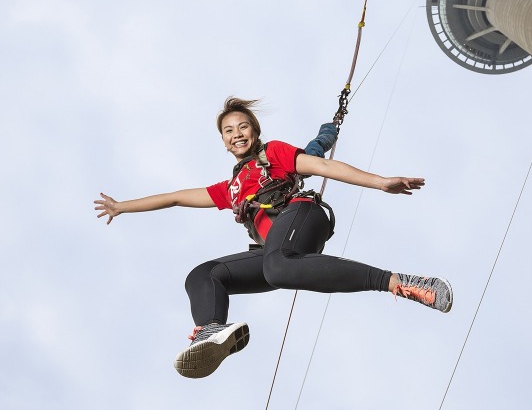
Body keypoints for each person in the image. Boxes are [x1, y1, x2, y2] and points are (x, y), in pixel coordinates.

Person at [94, 97, 452, 379]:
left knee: (277, 264)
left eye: (244, 126)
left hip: (302, 215)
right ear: (222, 140)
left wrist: (381, 182)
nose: (237, 133)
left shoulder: (273, 154)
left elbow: (323, 165)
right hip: (276, 252)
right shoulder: (231, 189)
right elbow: (174, 197)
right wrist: (122, 206)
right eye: (229, 130)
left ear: (256, 131)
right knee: (204, 275)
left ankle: (398, 282)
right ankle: (210, 331)